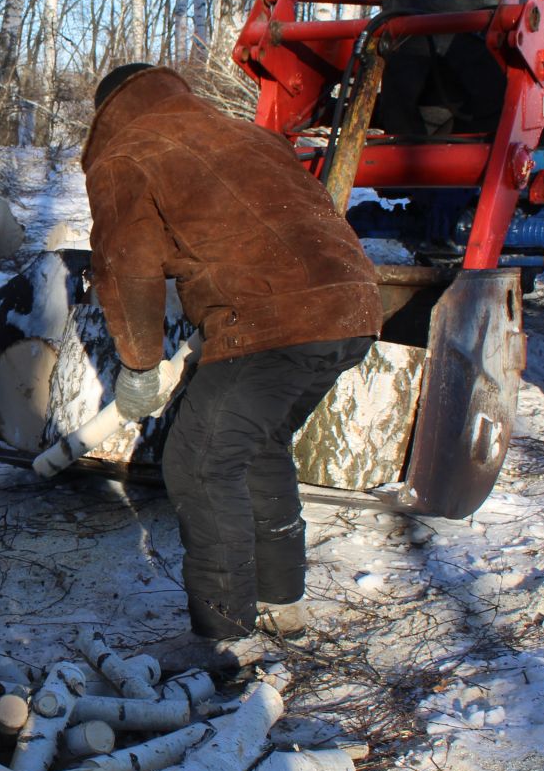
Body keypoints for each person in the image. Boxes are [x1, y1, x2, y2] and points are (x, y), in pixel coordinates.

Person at [82, 63, 381, 677]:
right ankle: (282, 603)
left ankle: (224, 639)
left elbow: (125, 265)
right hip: (353, 307)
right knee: (255, 446)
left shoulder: (128, 151)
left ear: (107, 112)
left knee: (197, 461)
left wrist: (138, 366)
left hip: (272, 322)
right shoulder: (242, 133)